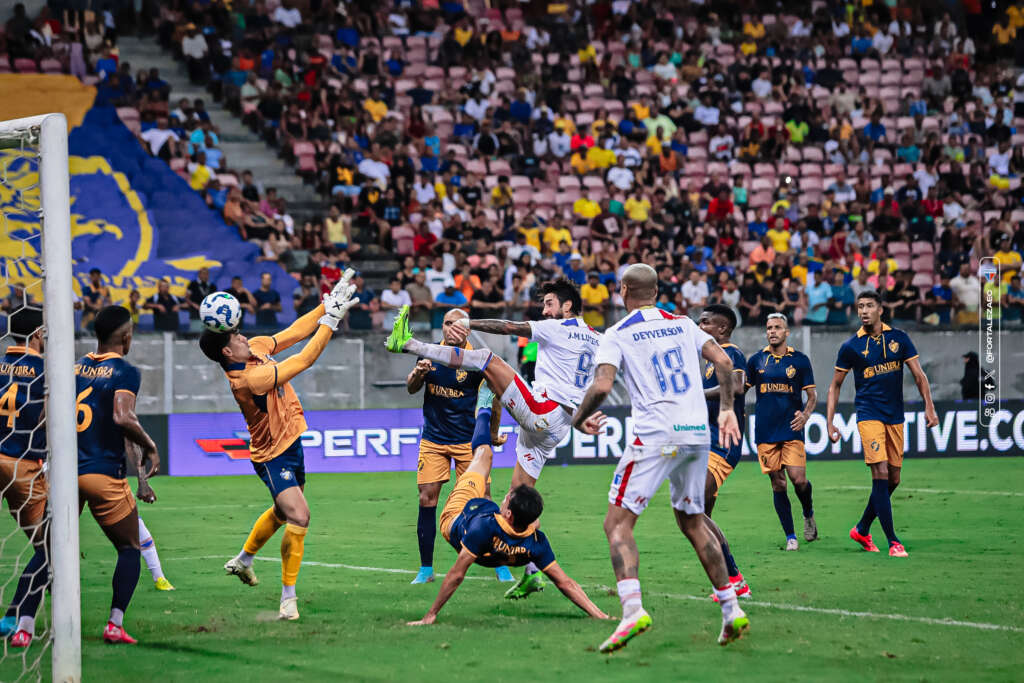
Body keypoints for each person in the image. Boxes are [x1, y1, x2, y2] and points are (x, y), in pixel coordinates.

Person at [386, 278, 600, 601]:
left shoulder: (558, 328)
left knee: (486, 360)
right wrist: (583, 418)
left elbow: (509, 326)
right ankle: (531, 573)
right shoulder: (597, 339)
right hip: (559, 424)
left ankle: (409, 344)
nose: (544, 310)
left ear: (568, 307)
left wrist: (468, 323)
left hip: (543, 411)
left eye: (549, 303)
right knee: (518, 497)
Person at [572, 264, 748, 652]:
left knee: (617, 523)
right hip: (697, 433)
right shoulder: (684, 323)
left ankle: (632, 610)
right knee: (692, 521)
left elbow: (602, 384)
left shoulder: (617, 333)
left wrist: (578, 417)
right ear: (656, 291)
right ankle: (731, 608)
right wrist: (728, 409)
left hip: (657, 434)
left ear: (623, 291)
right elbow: (724, 362)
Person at [203, 270, 356, 620]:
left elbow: (292, 334)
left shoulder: (252, 349)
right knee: (299, 514)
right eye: (237, 335)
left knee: (281, 510)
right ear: (227, 350)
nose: (244, 336)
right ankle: (288, 599)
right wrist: (331, 323)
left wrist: (325, 305)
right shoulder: (248, 379)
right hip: (272, 454)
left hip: (292, 440)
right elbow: (303, 360)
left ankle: (244, 560)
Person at [407, 386, 608, 626]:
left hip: (458, 515)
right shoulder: (536, 541)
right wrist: (601, 615)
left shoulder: (483, 529)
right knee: (532, 520)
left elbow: (456, 574)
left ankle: (483, 407)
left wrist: (430, 615)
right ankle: (529, 575)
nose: (504, 498)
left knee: (484, 455)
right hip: (492, 526)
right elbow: (565, 582)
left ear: (508, 512)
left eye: (507, 500)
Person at [827, 291, 938, 558]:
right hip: (868, 415)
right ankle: (893, 541)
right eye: (860, 307)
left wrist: (929, 406)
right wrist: (830, 422)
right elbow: (835, 386)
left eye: (868, 306)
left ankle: (862, 528)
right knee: (880, 472)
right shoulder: (851, 346)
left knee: (894, 479)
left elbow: (919, 375)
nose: (863, 311)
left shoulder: (899, 338)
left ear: (881, 310)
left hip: (895, 417)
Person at [75, 306, 163, 644]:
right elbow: (123, 419)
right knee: (129, 548)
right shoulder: (125, 371)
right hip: (101, 473)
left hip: (64, 473)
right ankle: (114, 624)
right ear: (126, 336)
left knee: (50, 548)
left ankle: (20, 621)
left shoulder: (75, 366)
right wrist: (151, 446)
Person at [405, 308, 510, 585]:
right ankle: (426, 570)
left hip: (467, 442)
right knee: (427, 499)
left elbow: (495, 398)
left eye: (456, 324)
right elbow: (411, 388)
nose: (451, 328)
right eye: (446, 323)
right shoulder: (429, 353)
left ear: (467, 329)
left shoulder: (477, 359)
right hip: (434, 440)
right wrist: (418, 372)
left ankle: (500, 564)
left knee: (483, 500)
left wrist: (493, 433)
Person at [744, 313, 818, 550]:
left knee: (799, 480)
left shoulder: (800, 360)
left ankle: (808, 512)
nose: (772, 331)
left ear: (787, 332)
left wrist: (805, 415)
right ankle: (791, 536)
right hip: (765, 431)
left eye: (777, 327)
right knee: (778, 484)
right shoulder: (756, 360)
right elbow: (741, 390)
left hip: (791, 428)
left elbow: (812, 396)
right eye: (769, 328)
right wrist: (736, 412)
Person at [0, 308, 49, 647]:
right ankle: (15, 614)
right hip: (22, 466)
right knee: (51, 548)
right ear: (36, 335)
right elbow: (48, 417)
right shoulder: (46, 369)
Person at [697, 305, 751, 601]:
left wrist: (699, 394)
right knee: (699, 517)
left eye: (705, 322)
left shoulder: (732, 353)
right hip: (706, 443)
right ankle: (730, 581)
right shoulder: (707, 360)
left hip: (724, 443)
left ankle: (734, 581)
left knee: (696, 512)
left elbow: (738, 385)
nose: (699, 325)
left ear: (722, 329)